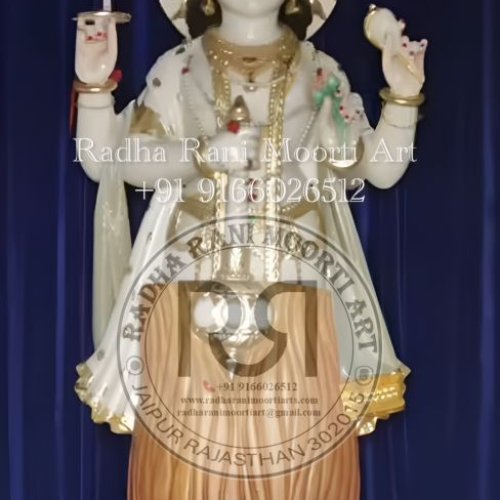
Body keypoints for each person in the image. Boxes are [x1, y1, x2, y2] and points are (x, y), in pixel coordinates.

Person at [74, 1, 427, 498]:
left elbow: (378, 168)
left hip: (298, 301)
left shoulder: (321, 73)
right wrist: (97, 90)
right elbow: (108, 162)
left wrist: (403, 100)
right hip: (192, 302)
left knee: (302, 475)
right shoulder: (180, 67)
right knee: (187, 478)